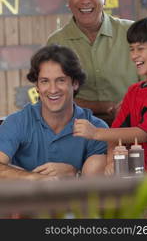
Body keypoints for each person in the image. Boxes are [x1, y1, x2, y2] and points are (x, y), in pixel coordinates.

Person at [73, 16, 147, 174]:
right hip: (134, 169)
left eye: (140, 49)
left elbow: (144, 134)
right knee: (94, 164)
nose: (133, 55)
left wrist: (95, 132)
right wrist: (111, 160)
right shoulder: (134, 90)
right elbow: (115, 134)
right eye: (131, 49)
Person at [47, 0, 139, 125]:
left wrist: (127, 108)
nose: (85, 0)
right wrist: (107, 107)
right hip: (78, 133)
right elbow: (54, 97)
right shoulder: (56, 43)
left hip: (133, 127)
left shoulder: (131, 33)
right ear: (68, 0)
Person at [0, 45, 108, 180]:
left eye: (60, 80)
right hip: (27, 200)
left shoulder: (96, 129)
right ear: (37, 86)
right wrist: (35, 178)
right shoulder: (17, 122)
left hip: (76, 200)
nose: (52, 90)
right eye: (45, 81)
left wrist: (75, 174)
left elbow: (99, 184)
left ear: (75, 83)